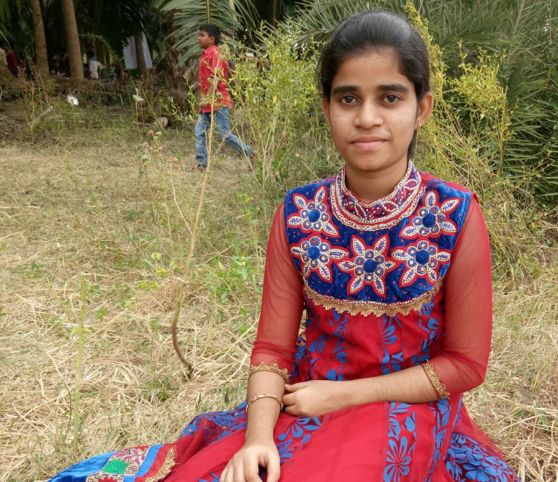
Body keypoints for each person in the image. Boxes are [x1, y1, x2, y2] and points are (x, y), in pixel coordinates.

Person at [50, 10, 519, 482]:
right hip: (301, 401)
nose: (366, 117)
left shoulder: (454, 214)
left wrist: (343, 396)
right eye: (348, 98)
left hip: (408, 407)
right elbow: (273, 349)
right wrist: (257, 438)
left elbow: (465, 365)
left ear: (422, 109)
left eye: (390, 98)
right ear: (327, 109)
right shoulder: (300, 212)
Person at [195, 24, 255, 172]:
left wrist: (207, 98)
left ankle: (250, 153)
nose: (198, 38)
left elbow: (215, 79)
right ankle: (202, 164)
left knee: (224, 135)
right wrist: (203, 101)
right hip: (207, 102)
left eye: (202, 35)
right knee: (200, 131)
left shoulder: (216, 54)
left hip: (219, 101)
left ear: (211, 39)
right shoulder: (205, 55)